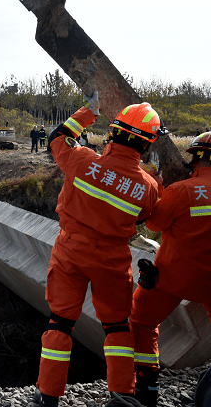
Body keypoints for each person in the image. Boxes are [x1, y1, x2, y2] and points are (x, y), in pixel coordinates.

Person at [33, 95, 164, 407]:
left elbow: (57, 138)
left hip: (70, 251)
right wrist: (155, 175)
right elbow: (147, 217)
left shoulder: (82, 160)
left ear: (113, 132)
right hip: (112, 260)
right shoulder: (147, 187)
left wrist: (89, 111)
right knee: (117, 326)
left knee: (60, 323)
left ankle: (48, 396)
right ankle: (122, 394)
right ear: (146, 145)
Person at [130, 131, 211, 406]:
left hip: (173, 278)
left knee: (141, 321)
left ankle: (146, 387)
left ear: (195, 160)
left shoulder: (181, 191)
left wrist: (157, 184)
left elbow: (153, 224)